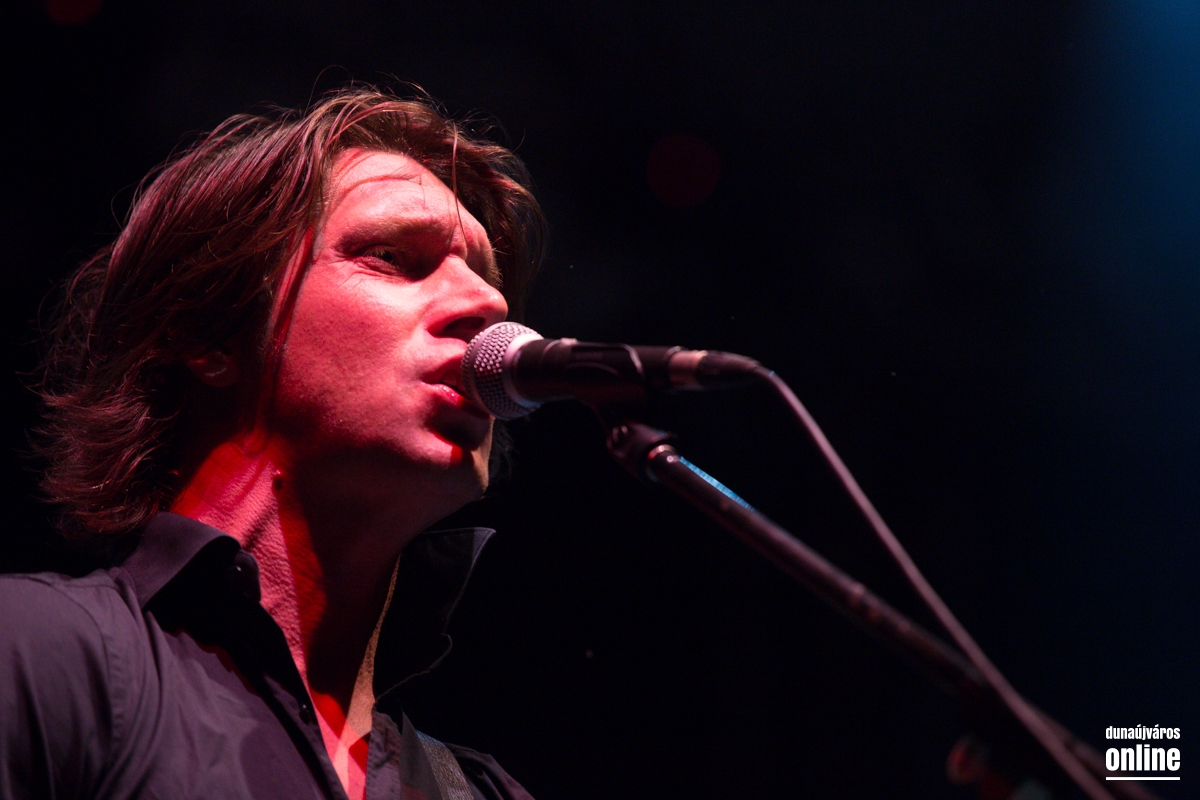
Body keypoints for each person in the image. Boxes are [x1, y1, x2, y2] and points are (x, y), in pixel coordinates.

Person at [0, 86, 547, 800]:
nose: (488, 304)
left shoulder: (481, 791)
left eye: (484, 275)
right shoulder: (38, 652)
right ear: (210, 332)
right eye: (390, 255)